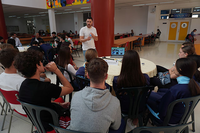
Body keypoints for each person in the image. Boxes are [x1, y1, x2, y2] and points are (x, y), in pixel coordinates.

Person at [14, 50, 74, 132]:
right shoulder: (46, 88)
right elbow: (70, 88)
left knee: (60, 100)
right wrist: (56, 70)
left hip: (39, 124)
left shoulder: (23, 85)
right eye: (40, 62)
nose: (42, 63)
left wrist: (60, 104)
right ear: (37, 66)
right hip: (53, 125)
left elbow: (40, 102)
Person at [68, 58, 122, 132]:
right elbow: (116, 126)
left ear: (88, 75)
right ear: (106, 77)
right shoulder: (115, 102)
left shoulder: (76, 96)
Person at [147, 58, 200, 125]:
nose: (173, 68)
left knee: (146, 95)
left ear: (179, 70)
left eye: (175, 66)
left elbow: (162, 110)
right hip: (181, 117)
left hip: (168, 120)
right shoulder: (196, 86)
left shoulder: (175, 90)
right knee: (159, 92)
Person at [0, 48, 25, 115]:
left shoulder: (1, 77)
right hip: (27, 110)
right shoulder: (22, 82)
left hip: (13, 106)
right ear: (14, 62)